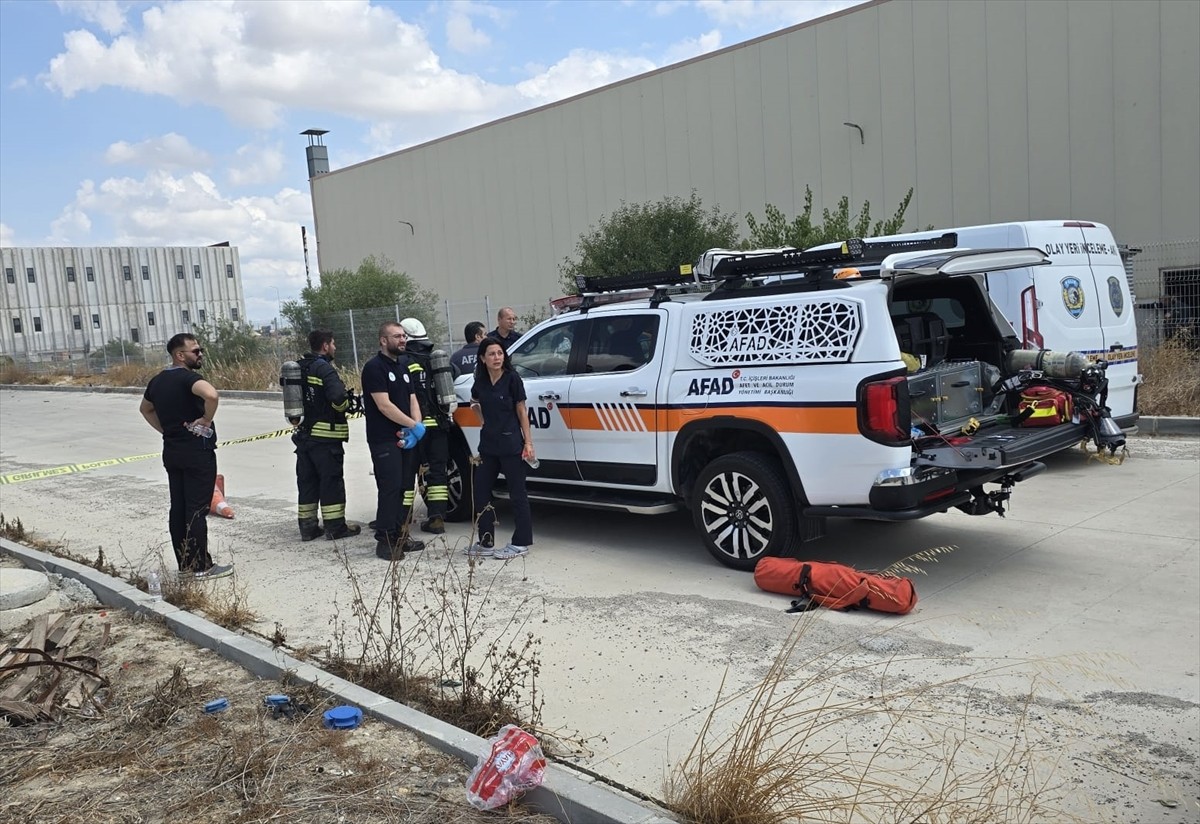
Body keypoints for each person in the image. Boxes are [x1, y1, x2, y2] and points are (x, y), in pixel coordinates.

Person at [139, 334, 233, 579]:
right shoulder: (188, 378)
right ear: (180, 355)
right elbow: (211, 395)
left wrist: (166, 429)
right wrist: (206, 420)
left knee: (178, 508)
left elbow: (145, 409)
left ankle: (185, 566)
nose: (200, 354)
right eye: (195, 351)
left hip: (172, 450)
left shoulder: (158, 381)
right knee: (196, 509)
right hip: (196, 452)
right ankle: (201, 566)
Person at [361, 321, 427, 560]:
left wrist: (416, 426)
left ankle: (401, 535)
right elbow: (384, 405)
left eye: (404, 336)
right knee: (390, 489)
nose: (402, 340)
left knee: (405, 488)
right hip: (384, 439)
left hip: (406, 438)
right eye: (397, 336)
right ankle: (385, 540)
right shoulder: (374, 368)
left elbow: (412, 399)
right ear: (383, 340)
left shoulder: (403, 367)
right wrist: (412, 425)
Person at [466, 337, 534, 560]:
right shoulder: (481, 381)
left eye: (500, 353)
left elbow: (522, 410)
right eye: (492, 354)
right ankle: (486, 542)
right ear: (483, 358)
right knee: (481, 491)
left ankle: (521, 541)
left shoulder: (512, 379)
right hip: (488, 445)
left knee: (517, 494)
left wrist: (528, 442)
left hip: (511, 445)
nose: (497, 358)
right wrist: (483, 420)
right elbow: (474, 402)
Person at [293, 329, 360, 542]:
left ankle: (308, 528)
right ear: (325, 346)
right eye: (333, 344)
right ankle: (335, 527)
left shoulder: (299, 367)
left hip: (304, 436)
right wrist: (343, 407)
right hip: (326, 438)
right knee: (331, 482)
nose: (335, 348)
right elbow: (338, 397)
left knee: (307, 483)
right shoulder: (324, 368)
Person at [400, 317, 451, 535]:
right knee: (438, 472)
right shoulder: (435, 358)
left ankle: (403, 518)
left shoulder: (402, 361)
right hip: (439, 425)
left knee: (407, 473)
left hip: (414, 427)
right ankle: (437, 518)